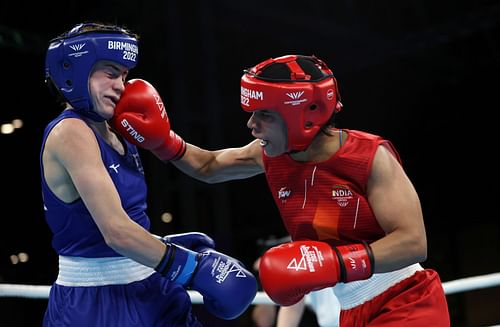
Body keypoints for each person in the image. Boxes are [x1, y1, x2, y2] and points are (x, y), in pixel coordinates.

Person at [110, 54, 451, 326]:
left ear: (301, 114)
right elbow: (209, 166)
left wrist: (335, 263)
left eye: (263, 115)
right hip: (351, 309)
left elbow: (413, 241)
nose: (251, 124)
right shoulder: (270, 155)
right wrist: (164, 142)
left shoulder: (370, 156)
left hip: (406, 300)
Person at [40, 22, 257, 327]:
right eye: (110, 73)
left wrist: (158, 244)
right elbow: (116, 232)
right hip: (97, 302)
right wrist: (192, 267)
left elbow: (127, 218)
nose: (120, 86)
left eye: (124, 76)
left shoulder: (120, 130)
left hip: (151, 284)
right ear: (73, 69)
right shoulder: (71, 132)